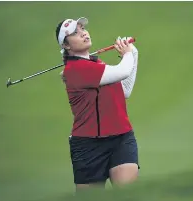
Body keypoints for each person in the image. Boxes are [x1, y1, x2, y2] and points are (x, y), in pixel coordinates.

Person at [55, 17, 139, 192]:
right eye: (75, 33)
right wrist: (128, 53)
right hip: (88, 146)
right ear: (66, 46)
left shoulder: (98, 65)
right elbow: (123, 71)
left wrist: (133, 53)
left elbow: (125, 91)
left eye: (82, 28)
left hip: (121, 138)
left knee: (128, 195)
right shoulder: (75, 70)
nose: (83, 33)